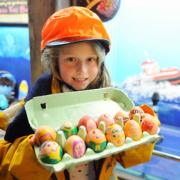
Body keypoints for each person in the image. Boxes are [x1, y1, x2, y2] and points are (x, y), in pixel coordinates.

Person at [0, 6, 156, 180]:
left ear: (100, 61)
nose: (82, 70)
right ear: (54, 61)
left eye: (90, 59)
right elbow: (8, 161)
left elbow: (130, 156)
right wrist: (33, 152)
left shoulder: (107, 99)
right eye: (71, 59)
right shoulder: (38, 103)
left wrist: (141, 128)